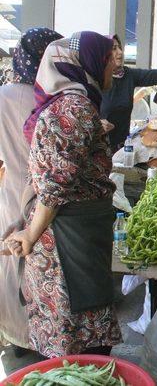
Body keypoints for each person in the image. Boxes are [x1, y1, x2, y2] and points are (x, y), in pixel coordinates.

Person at [5, 31, 123, 358]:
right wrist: (30, 232)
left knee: (75, 325)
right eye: (106, 57)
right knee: (78, 329)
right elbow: (54, 188)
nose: (114, 63)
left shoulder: (71, 102)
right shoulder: (74, 106)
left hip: (71, 228)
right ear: (82, 63)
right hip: (66, 237)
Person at [0, 27, 62, 356]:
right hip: (47, 198)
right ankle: (43, 339)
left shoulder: (4, 96)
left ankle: (16, 337)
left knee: (12, 263)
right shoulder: (53, 95)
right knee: (43, 267)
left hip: (12, 192)